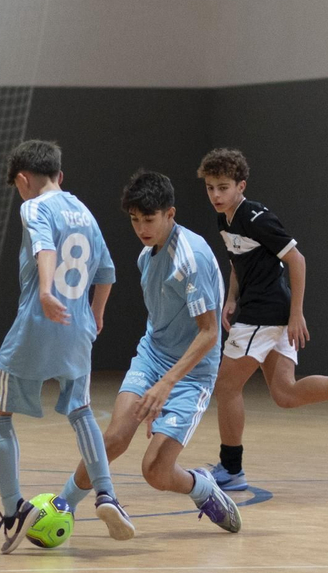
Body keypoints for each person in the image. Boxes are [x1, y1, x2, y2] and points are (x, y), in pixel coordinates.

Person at [194, 148, 328, 491]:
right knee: (285, 394)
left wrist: (296, 314)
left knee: (226, 387)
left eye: (223, 187)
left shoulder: (256, 217)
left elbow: (297, 260)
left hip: (265, 312)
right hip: (261, 310)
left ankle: (231, 469)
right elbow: (237, 261)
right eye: (210, 187)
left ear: (241, 186)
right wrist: (231, 297)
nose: (216, 194)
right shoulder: (223, 218)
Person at [60, 170, 242, 533]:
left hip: (192, 373)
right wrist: (152, 377)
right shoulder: (147, 256)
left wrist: (165, 386)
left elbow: (208, 334)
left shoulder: (192, 259)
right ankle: (63, 506)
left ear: (170, 214)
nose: (142, 228)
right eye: (135, 220)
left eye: (150, 219)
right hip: (152, 356)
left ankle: (203, 488)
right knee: (113, 438)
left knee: (155, 471)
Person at [0, 139, 134, 554]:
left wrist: (47, 291)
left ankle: (15, 508)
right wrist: (97, 314)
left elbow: (44, 249)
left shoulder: (33, 206)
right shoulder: (84, 211)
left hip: (39, 320)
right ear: (61, 175)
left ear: (23, 179)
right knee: (82, 411)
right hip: (79, 326)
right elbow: (107, 270)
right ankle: (106, 494)